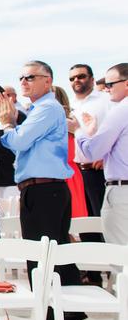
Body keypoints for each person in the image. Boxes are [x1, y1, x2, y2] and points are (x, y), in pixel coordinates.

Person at [0, 61, 84, 320]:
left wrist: (6, 124)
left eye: (30, 77)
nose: (24, 81)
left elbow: (18, 142)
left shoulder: (47, 108)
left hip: (45, 191)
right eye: (21, 76)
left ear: (48, 81)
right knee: (54, 256)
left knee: (43, 258)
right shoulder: (40, 110)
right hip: (43, 190)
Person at [77, 63, 128, 246]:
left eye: (110, 85)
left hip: (122, 192)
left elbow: (92, 151)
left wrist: (80, 132)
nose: (106, 90)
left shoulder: (121, 111)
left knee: (120, 255)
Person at [68, 64, 110, 246]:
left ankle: (112, 269)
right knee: (83, 223)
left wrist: (106, 156)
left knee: (103, 221)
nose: (76, 80)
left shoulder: (105, 101)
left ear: (92, 79)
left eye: (81, 76)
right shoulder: (71, 106)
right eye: (72, 78)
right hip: (76, 171)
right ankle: (92, 273)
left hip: (98, 170)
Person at [53, 86, 89, 218]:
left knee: (70, 219)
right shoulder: (69, 120)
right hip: (67, 172)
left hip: (65, 174)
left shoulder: (66, 121)